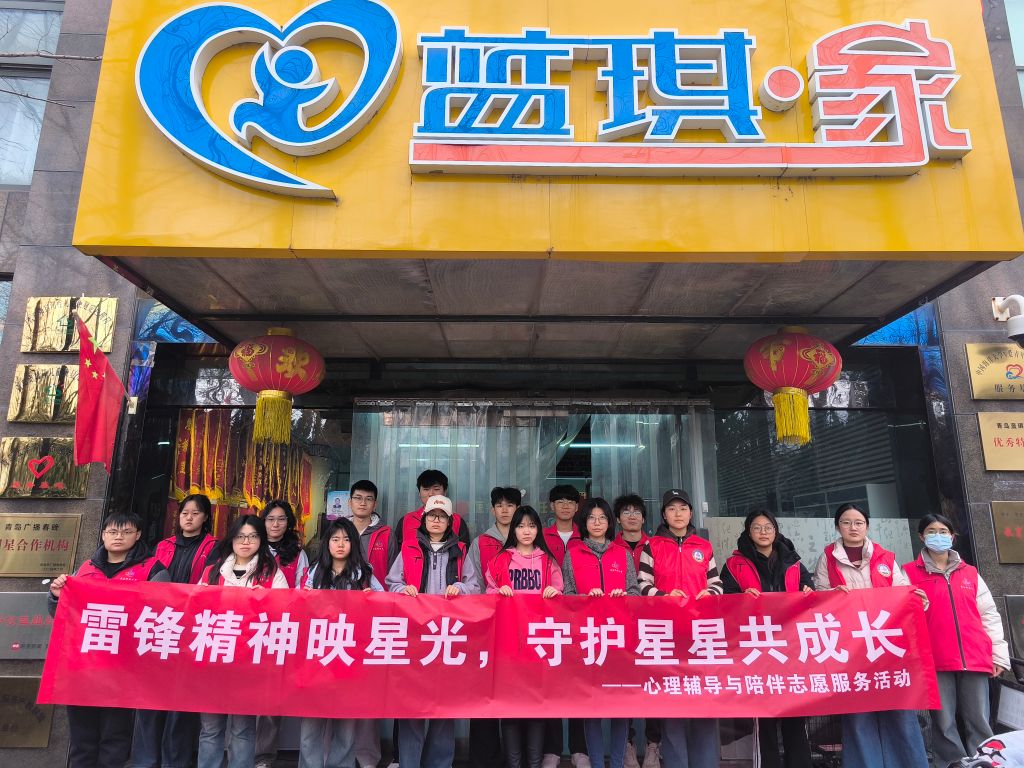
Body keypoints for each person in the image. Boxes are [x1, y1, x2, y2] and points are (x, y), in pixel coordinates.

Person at [48, 512, 170, 768]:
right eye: (112, 532)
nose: (118, 537)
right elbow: (62, 614)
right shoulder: (86, 569)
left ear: (138, 535)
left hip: (124, 668)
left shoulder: (153, 569)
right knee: (81, 739)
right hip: (84, 667)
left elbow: (162, 615)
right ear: (103, 535)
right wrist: (57, 596)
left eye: (126, 532)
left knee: (115, 738)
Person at [813, 503, 929, 768]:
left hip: (886, 644)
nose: (853, 527)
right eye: (846, 522)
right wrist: (832, 596)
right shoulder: (827, 557)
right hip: (849, 647)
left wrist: (916, 599)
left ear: (866, 526)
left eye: (858, 522)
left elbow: (902, 591)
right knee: (858, 713)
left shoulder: (885, 557)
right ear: (837, 527)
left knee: (899, 709)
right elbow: (819, 596)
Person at [904, 513, 1010, 767]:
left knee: (979, 719)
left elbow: (989, 615)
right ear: (921, 537)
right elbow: (904, 615)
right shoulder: (908, 573)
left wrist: (998, 655)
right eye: (931, 531)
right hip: (935, 659)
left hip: (974, 656)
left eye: (943, 531)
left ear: (952, 537)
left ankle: (984, 762)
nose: (938, 536)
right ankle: (953, 763)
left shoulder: (970, 573)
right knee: (943, 722)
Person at [386, 495, 476, 768]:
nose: (436, 521)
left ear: (450, 522)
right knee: (410, 707)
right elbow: (392, 582)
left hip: (447, 638)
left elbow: (474, 586)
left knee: (443, 708)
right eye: (432, 516)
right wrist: (403, 589)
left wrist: (460, 588)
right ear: (424, 519)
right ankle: (409, 763)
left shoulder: (461, 550)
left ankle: (440, 763)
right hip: (413, 636)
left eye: (442, 517)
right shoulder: (408, 547)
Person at [129, 494, 218, 768]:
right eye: (184, 513)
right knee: (151, 696)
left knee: (181, 699)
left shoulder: (214, 547)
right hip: (161, 624)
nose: (188, 518)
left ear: (206, 517)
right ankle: (145, 760)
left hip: (192, 626)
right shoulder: (162, 546)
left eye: (195, 513)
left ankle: (175, 760)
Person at [720, 510, 814, 768]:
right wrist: (741, 598)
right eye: (757, 527)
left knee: (796, 717)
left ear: (776, 530)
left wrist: (808, 590)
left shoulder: (793, 561)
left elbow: (810, 590)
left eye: (768, 527)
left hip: (790, 648)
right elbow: (724, 599)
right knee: (765, 720)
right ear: (748, 531)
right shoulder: (734, 564)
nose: (763, 532)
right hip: (756, 649)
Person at [637, 489, 721, 768]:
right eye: (671, 509)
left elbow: (716, 583)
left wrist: (710, 593)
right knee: (671, 704)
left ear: (691, 513)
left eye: (683, 508)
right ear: (664, 514)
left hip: (700, 634)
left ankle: (705, 763)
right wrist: (663, 596)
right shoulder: (652, 546)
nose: (678, 514)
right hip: (666, 634)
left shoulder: (703, 546)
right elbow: (642, 584)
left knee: (703, 703)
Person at [197, 515, 287, 768]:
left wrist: (267, 600)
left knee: (242, 728)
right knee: (210, 728)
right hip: (216, 659)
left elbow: (285, 613)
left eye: (253, 536)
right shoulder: (212, 572)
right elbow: (197, 610)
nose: (246, 542)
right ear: (231, 539)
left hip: (250, 663)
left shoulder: (271, 574)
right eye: (240, 536)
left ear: (261, 540)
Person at [299, 517, 384, 768]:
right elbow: (298, 608)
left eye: (346, 540)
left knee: (346, 727)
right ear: (327, 543)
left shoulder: (365, 574)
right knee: (311, 725)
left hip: (350, 657)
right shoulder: (315, 572)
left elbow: (385, 607)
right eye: (335, 539)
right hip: (317, 657)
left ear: (354, 544)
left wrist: (373, 600)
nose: (340, 544)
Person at [563, 498, 638, 768]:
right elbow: (567, 595)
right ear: (584, 522)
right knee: (592, 707)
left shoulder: (622, 554)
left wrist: (623, 595)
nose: (597, 523)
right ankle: (596, 762)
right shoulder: (573, 554)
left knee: (620, 708)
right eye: (592, 518)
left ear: (610, 522)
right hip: (588, 639)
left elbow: (635, 592)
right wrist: (584, 598)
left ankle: (616, 763)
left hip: (619, 639)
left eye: (602, 518)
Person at [487, 505, 563, 768]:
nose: (526, 531)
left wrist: (555, 594)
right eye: (521, 526)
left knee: (535, 707)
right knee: (509, 707)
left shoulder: (548, 561)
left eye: (531, 525)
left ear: (538, 529)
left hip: (539, 644)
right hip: (508, 643)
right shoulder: (500, 560)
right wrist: (498, 593)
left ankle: (534, 763)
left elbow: (561, 593)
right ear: (513, 530)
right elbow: (487, 594)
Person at [466, 486, 523, 768]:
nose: (504, 510)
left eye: (510, 505)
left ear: (518, 509)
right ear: (492, 509)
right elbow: (473, 582)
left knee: (517, 693)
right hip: (488, 626)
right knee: (484, 693)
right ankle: (484, 760)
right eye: (499, 505)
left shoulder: (528, 541)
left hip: (520, 628)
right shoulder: (481, 543)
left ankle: (517, 758)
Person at [256, 499, 309, 768]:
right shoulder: (251, 545)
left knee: (270, 696)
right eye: (270, 519)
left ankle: (263, 756)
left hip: (280, 629)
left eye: (281, 519)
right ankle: (238, 750)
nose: (275, 524)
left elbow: (303, 589)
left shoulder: (297, 553)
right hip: (249, 627)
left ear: (289, 523)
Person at [346, 479, 395, 768]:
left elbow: (392, 575)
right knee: (340, 688)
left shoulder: (386, 534)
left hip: (375, 619)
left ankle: (366, 757)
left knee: (368, 690)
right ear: (350, 501)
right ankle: (340, 755)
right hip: (341, 621)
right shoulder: (339, 530)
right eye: (358, 498)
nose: (362, 503)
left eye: (368, 499)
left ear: (375, 504)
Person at [541, 484, 586, 768]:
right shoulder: (541, 536)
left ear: (577, 507)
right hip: (548, 618)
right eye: (560, 501)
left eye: (571, 501)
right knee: (552, 684)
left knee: (579, 683)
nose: (566, 505)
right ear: (551, 506)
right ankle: (553, 749)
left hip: (581, 619)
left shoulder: (587, 535)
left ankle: (580, 749)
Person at [612, 494, 658, 768]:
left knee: (654, 684)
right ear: (618, 519)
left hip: (654, 627)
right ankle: (626, 745)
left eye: (637, 512)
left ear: (643, 518)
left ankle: (653, 746)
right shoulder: (610, 547)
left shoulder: (657, 546)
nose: (631, 516)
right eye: (626, 512)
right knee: (624, 685)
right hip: (620, 627)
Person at [397, 469, 471, 548]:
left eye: (436, 489)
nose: (431, 494)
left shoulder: (457, 521)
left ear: (445, 492)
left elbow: (464, 551)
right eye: (426, 489)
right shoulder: (406, 520)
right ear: (419, 493)